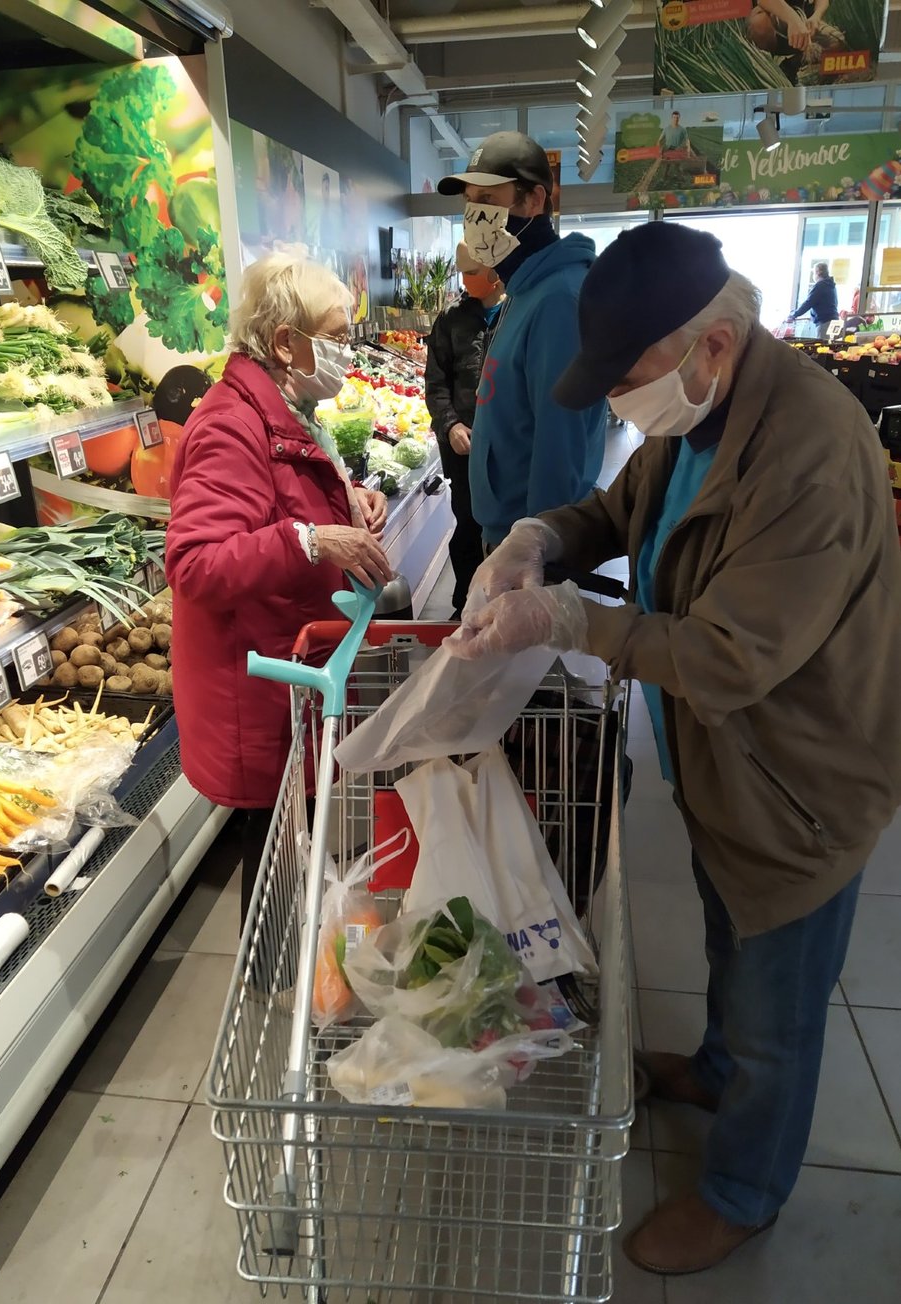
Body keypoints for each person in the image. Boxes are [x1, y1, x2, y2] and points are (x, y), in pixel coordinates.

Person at [447, 223, 901, 1275]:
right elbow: (617, 508)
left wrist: (561, 622)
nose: (621, 406)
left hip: (802, 782)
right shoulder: (701, 412)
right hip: (726, 761)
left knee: (779, 992)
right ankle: (713, 1061)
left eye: (629, 379)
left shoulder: (812, 455)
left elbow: (729, 657)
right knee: (728, 937)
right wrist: (539, 539)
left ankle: (746, 1187)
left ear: (714, 343)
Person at [166, 253, 391, 921]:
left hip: (285, 671)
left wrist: (350, 504)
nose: (345, 352)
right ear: (286, 341)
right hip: (255, 683)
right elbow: (196, 562)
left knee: (291, 844)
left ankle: (299, 975)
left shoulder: (277, 405)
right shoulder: (229, 424)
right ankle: (275, 989)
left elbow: (279, 501)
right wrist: (313, 540)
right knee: (273, 857)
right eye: (335, 335)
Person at [437, 132, 607, 550]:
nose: (475, 216)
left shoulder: (558, 301)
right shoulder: (525, 290)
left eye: (489, 201)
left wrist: (536, 551)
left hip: (528, 541)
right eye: (470, 202)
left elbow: (560, 444)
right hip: (507, 529)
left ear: (533, 200)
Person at [424, 243, 505, 617]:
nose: (464, 279)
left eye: (472, 271)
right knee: (468, 522)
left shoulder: (518, 314)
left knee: (510, 524)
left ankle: (505, 603)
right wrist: (450, 424)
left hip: (507, 444)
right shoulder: (451, 319)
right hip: (461, 445)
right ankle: (465, 602)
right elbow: (435, 383)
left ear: (494, 270)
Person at [789, 260, 839, 333]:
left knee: (823, 344)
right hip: (835, 321)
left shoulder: (820, 285)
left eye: (814, 272)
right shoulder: (831, 285)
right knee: (833, 343)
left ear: (818, 272)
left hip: (825, 323)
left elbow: (808, 302)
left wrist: (794, 315)